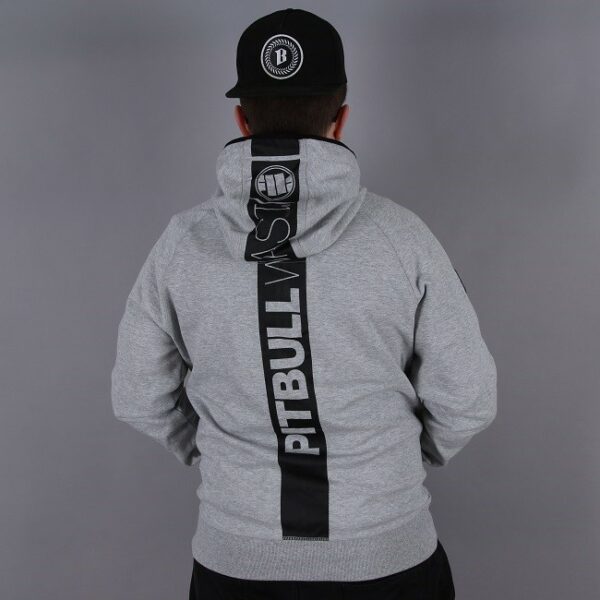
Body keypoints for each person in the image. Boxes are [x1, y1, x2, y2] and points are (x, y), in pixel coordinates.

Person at [111, 8, 497, 600]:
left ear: (241, 120)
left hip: (235, 564)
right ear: (341, 119)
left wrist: (218, 454)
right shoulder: (404, 237)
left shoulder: (182, 244)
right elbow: (468, 398)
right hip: (389, 558)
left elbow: (139, 395)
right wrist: (393, 463)